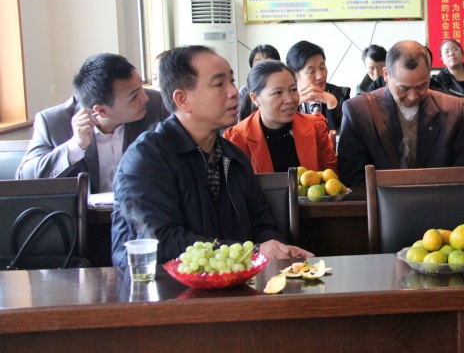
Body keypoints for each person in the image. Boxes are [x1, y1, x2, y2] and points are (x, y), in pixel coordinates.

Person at [111, 45, 312, 268]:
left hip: (233, 281)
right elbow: (161, 241)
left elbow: (263, 225)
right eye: (219, 84)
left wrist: (277, 249)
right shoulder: (146, 158)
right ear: (182, 100)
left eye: (232, 81)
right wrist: (251, 252)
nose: (233, 91)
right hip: (164, 286)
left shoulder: (233, 157)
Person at [17, 53, 168, 192]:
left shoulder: (159, 105)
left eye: (141, 87)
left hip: (143, 208)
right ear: (101, 110)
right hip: (83, 212)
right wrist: (74, 147)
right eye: (134, 97)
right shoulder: (53, 123)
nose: (145, 98)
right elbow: (25, 178)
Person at [338, 40, 464, 186]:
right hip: (381, 199)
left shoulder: (451, 110)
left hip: (438, 197)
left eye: (421, 86)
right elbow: (353, 180)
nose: (413, 96)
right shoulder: (359, 112)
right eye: (403, 88)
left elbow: (463, 174)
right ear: (386, 75)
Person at [224, 60, 337, 174]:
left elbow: (332, 178)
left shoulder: (315, 126)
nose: (289, 99)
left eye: (293, 90)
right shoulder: (238, 138)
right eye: (278, 93)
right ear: (255, 98)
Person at [286, 41, 350, 131]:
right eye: (311, 71)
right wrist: (292, 108)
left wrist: (332, 104)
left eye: (322, 67)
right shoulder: (287, 100)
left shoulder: (342, 95)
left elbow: (344, 136)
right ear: (295, 75)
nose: (320, 76)